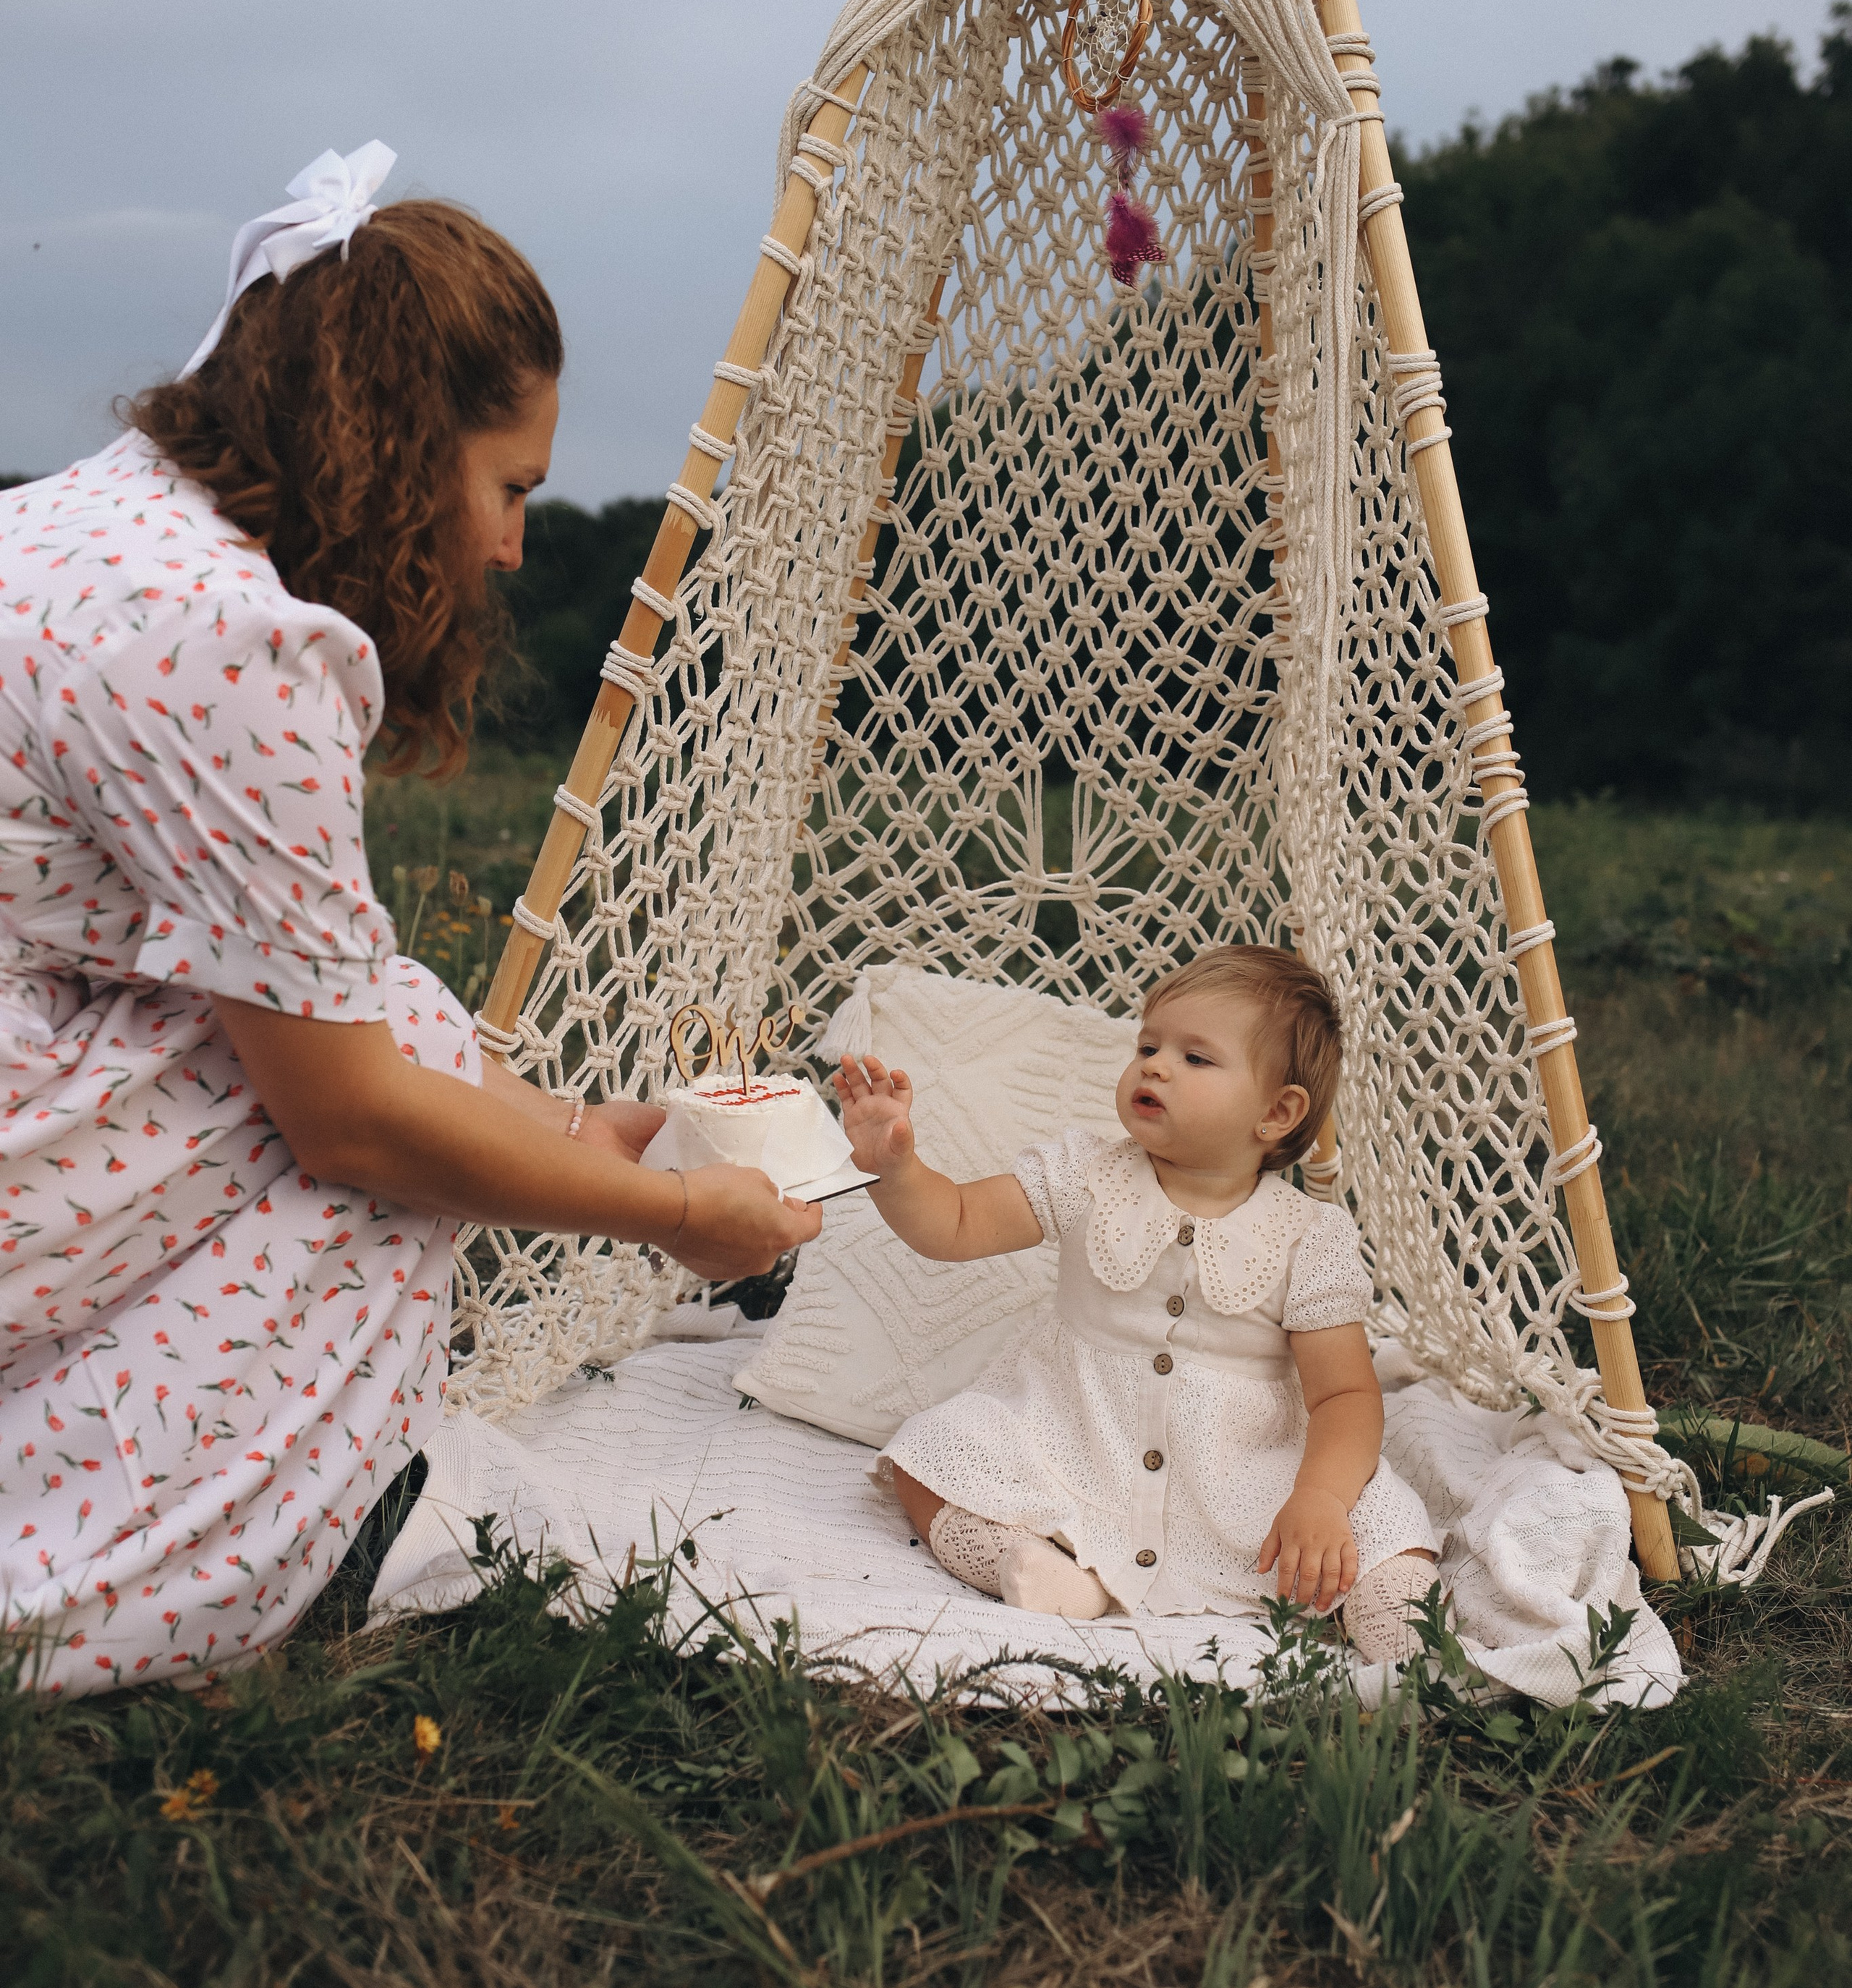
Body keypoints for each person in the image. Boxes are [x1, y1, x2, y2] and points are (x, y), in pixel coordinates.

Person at [1, 145, 816, 1696]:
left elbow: (342, 992)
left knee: (397, 1025)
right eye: (507, 487)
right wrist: (670, 1222)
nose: (512, 544)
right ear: (398, 443)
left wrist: (581, 1132)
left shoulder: (113, 520)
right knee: (382, 1173)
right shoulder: (234, 642)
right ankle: (121, 1569)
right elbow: (356, 1122)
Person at [836, 946, 1440, 1665]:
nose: (1154, 1065)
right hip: (1082, 1438)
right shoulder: (1085, 1174)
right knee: (929, 1458)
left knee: (1379, 1517)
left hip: (1243, 1476)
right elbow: (957, 1223)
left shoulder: (1308, 1237)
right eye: (1149, 1045)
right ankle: (1030, 1566)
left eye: (1196, 1059)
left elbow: (1343, 1393)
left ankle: (1397, 1620)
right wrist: (896, 1169)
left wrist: (1319, 1497)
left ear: (1277, 1112)